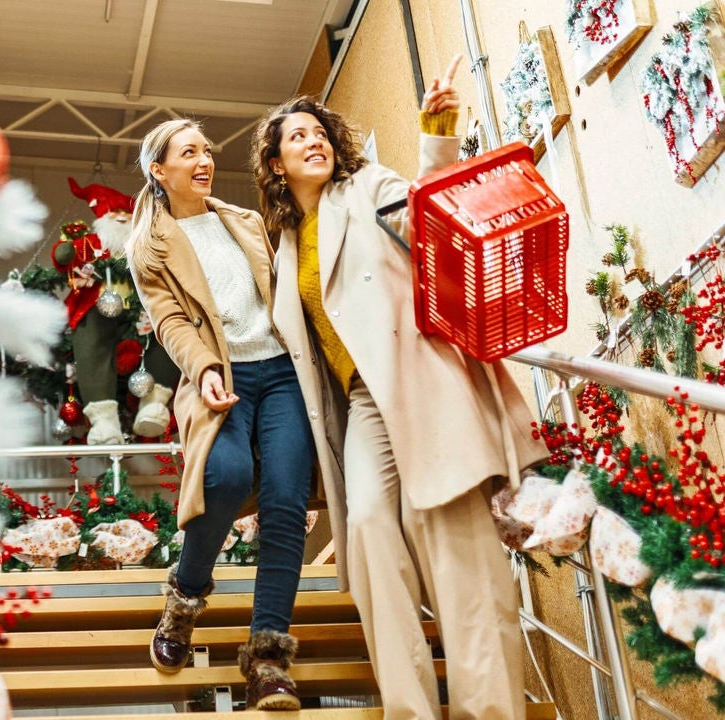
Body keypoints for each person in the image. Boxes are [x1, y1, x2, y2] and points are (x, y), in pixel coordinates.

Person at [252, 56, 547, 719]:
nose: (313, 140)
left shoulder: (367, 188)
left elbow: (429, 217)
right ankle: (409, 709)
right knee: (366, 530)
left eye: (318, 130)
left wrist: (435, 134)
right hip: (361, 404)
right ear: (275, 165)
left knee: (459, 561)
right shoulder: (283, 245)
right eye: (296, 137)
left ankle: (489, 712)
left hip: (422, 384)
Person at [126, 118, 316, 711]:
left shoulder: (245, 221)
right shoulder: (149, 246)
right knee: (226, 476)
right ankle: (184, 600)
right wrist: (204, 368)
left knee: (287, 502)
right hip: (220, 375)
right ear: (160, 171)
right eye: (188, 153)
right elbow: (170, 321)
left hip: (282, 370)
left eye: (206, 150)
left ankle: (267, 660)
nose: (204, 160)